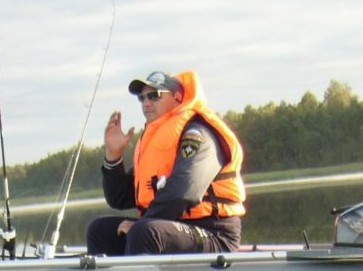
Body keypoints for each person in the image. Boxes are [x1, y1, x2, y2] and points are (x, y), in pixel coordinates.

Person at [87, 70, 247, 256]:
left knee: (145, 232)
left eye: (154, 96)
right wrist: (113, 157)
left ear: (177, 98)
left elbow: (185, 190)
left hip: (215, 234)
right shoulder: (157, 143)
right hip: (172, 227)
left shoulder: (199, 133)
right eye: (142, 98)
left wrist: (140, 224)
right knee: (100, 230)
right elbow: (120, 198)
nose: (146, 103)